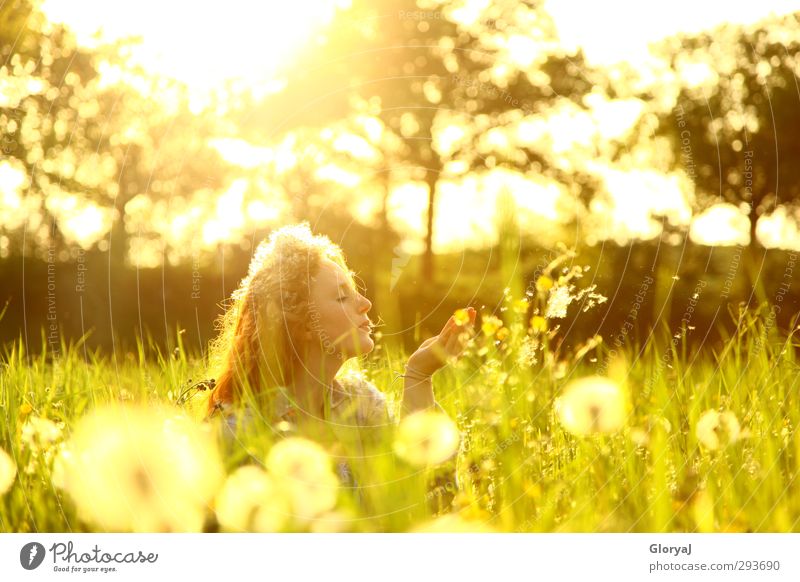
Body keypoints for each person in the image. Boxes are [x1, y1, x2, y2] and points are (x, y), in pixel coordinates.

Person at [201, 222, 475, 504]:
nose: (365, 303)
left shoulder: (358, 402)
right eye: (343, 296)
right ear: (304, 324)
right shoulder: (242, 432)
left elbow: (423, 497)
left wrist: (418, 375)